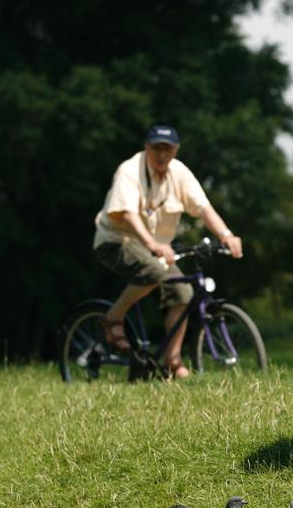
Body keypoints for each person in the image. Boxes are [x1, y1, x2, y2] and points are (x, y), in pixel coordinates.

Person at [92, 125, 243, 379]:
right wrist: (153, 244)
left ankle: (172, 361)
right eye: (156, 148)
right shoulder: (129, 171)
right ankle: (112, 318)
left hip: (156, 250)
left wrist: (226, 235)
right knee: (152, 270)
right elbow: (128, 214)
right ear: (146, 148)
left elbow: (202, 207)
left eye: (167, 148)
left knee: (183, 292)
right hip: (117, 242)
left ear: (176, 150)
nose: (162, 154)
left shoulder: (179, 173)